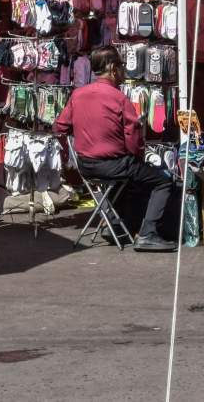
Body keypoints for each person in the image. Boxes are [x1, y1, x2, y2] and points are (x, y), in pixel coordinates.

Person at [53, 45, 176, 252]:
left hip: (86, 165)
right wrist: (135, 155)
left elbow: (60, 127)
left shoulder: (78, 95)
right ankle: (147, 233)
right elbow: (133, 137)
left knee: (127, 180)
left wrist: (85, 133)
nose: (123, 71)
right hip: (113, 164)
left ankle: (115, 225)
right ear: (112, 68)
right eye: (121, 66)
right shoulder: (118, 98)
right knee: (163, 182)